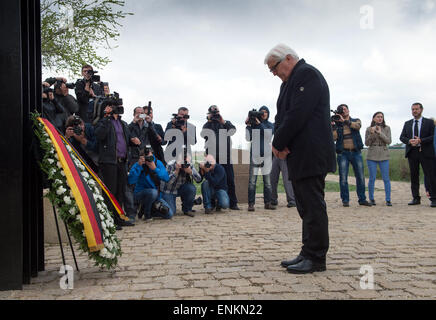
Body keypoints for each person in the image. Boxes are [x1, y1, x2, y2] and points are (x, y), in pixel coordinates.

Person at [265, 43, 336, 274]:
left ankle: (316, 258)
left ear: (288, 58)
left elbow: (298, 114)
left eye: (274, 68)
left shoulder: (307, 75)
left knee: (313, 205)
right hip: (298, 153)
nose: (274, 74)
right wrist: (279, 142)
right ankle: (307, 251)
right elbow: (280, 116)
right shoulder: (288, 83)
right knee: (304, 206)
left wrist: (277, 143)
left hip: (311, 152)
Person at [94, 102, 137, 229]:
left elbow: (126, 140)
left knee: (120, 191)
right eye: (114, 107)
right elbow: (99, 135)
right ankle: (109, 219)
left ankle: (119, 218)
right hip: (109, 162)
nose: (118, 109)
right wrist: (106, 117)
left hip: (122, 161)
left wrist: (133, 142)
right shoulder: (103, 121)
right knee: (110, 191)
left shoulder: (123, 123)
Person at [332, 104, 372, 207]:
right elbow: (334, 138)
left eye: (345, 109)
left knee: (360, 177)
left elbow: (357, 127)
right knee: (343, 178)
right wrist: (333, 126)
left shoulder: (356, 120)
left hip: (356, 152)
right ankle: (345, 200)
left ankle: (362, 199)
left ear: (348, 110)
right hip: (343, 153)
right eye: (342, 110)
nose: (344, 111)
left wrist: (345, 121)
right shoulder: (337, 123)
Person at [202, 105, 240, 210]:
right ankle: (212, 202)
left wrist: (223, 121)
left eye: (216, 113)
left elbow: (233, 130)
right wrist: (209, 121)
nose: (215, 115)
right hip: (212, 157)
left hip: (225, 155)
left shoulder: (225, 123)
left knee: (230, 179)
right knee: (212, 179)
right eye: (213, 113)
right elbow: (204, 134)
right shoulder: (207, 125)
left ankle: (233, 203)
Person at [400, 103, 436, 207]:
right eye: (412, 109)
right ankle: (416, 198)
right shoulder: (407, 123)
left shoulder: (429, 122)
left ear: (421, 110)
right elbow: (402, 137)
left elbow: (432, 136)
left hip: (425, 152)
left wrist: (421, 140)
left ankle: (434, 198)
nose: (414, 111)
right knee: (414, 175)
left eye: (416, 109)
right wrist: (409, 141)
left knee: (430, 175)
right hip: (412, 152)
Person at [128, 148, 173, 221]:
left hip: (156, 196)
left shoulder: (157, 163)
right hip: (140, 194)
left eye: (151, 156)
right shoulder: (138, 164)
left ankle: (147, 209)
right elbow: (131, 180)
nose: (149, 159)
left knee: (169, 214)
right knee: (152, 192)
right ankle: (147, 214)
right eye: (147, 157)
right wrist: (139, 166)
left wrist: (155, 169)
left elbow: (166, 178)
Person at [245, 106, 276, 211]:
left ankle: (268, 203)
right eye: (261, 112)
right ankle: (251, 204)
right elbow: (248, 138)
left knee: (267, 182)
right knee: (252, 182)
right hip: (255, 155)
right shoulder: (254, 125)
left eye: (266, 112)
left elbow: (268, 135)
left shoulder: (270, 125)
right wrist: (248, 125)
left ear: (268, 114)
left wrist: (259, 124)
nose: (263, 114)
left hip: (266, 156)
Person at [161, 151, 202, 218]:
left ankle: (187, 209)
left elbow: (199, 179)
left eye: (186, 161)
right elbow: (168, 183)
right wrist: (176, 171)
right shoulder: (171, 165)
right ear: (177, 159)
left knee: (191, 188)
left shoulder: (188, 165)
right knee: (171, 212)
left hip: (180, 188)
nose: (184, 163)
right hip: (168, 191)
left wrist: (191, 172)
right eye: (182, 161)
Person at [365, 112, 392, 206]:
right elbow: (367, 143)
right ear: (373, 118)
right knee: (372, 178)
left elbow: (389, 141)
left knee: (386, 178)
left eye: (381, 117)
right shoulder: (369, 129)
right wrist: (372, 134)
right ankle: (371, 198)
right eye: (378, 117)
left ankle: (388, 199)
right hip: (372, 155)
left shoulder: (387, 128)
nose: (380, 118)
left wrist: (380, 133)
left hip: (384, 154)